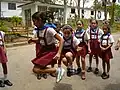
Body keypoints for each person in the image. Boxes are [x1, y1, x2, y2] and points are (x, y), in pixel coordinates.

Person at [28, 11, 65, 83]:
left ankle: (57, 70)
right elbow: (41, 40)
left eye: (34, 21)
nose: (33, 23)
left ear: (40, 20)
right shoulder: (39, 30)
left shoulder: (49, 30)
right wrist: (33, 40)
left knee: (35, 69)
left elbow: (61, 40)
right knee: (37, 69)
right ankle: (57, 71)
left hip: (50, 50)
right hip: (43, 50)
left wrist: (58, 53)